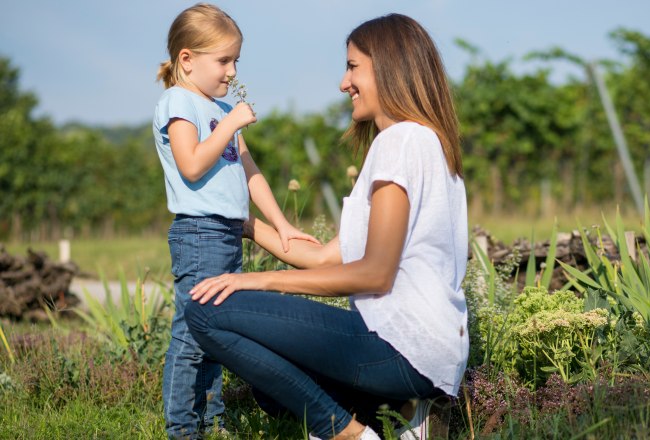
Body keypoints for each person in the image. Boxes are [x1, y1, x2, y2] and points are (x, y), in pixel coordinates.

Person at [184, 12, 468, 440]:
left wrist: (259, 281)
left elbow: (374, 273)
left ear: (391, 68)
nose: (343, 83)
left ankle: (347, 432)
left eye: (353, 67)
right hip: (429, 356)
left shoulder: (400, 141)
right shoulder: (427, 143)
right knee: (272, 389)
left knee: (205, 314)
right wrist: (244, 224)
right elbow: (321, 256)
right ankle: (407, 413)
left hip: (402, 348)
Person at [152, 3, 317, 438]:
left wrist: (281, 225)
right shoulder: (178, 102)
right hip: (199, 234)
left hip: (225, 234)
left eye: (235, 61)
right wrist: (230, 124)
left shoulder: (221, 109)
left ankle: (214, 421)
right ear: (187, 59)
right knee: (191, 336)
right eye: (223, 60)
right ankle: (183, 428)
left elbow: (251, 174)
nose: (231, 71)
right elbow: (191, 165)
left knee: (218, 334)